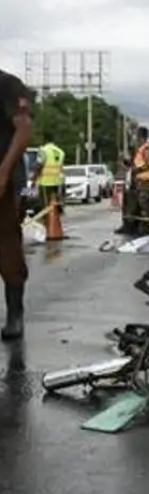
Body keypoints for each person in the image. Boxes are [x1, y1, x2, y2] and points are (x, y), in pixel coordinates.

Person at [0, 69, 34, 340]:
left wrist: (3, 173)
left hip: (5, 180)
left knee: (6, 245)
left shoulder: (7, 84)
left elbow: (23, 130)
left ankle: (15, 314)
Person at [32, 131, 65, 213]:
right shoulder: (60, 152)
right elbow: (60, 168)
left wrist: (34, 179)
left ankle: (48, 223)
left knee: (45, 206)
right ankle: (54, 221)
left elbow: (39, 165)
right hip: (57, 182)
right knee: (54, 205)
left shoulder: (43, 150)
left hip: (45, 183)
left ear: (44, 139)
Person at [131, 126, 149, 233]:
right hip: (140, 178)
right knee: (140, 203)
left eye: (137, 136)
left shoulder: (146, 148)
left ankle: (146, 227)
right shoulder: (141, 148)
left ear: (142, 137)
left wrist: (138, 168)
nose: (136, 138)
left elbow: (147, 163)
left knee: (144, 203)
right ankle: (142, 225)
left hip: (144, 179)